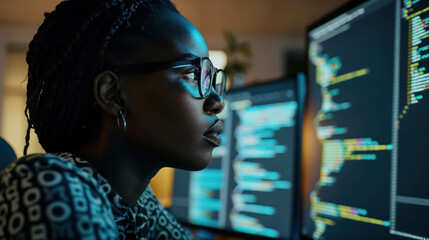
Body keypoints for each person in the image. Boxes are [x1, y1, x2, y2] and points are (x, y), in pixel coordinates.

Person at [0, 0, 226, 239]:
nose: (217, 102)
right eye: (192, 73)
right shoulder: (48, 187)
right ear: (114, 95)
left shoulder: (137, 206)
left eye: (211, 78)